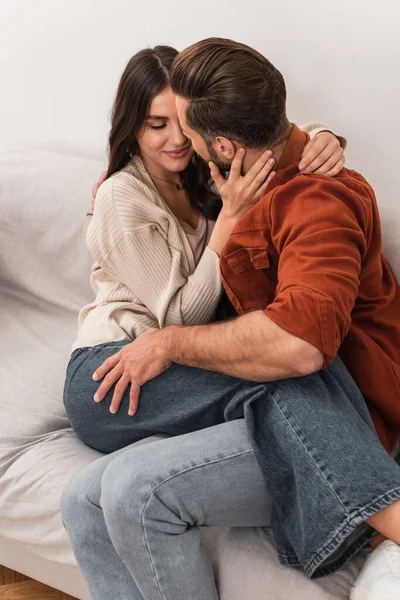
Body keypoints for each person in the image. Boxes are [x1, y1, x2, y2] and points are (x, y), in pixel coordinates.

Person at [61, 40, 400, 600]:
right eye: (157, 126)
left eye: (186, 133)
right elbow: (193, 314)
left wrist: (320, 137)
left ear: (224, 142)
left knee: (92, 497)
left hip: (331, 397)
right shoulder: (149, 190)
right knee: (274, 374)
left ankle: (380, 508)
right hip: (113, 364)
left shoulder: (263, 190)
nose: (179, 144)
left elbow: (296, 347)